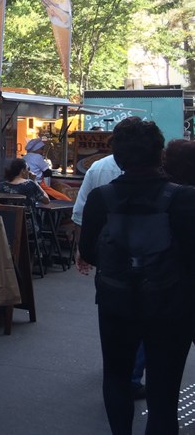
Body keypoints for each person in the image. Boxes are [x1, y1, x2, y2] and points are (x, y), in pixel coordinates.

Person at [79, 119, 195, 435]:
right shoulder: (185, 199)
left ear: (118, 157)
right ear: (159, 154)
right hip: (172, 305)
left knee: (116, 376)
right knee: (164, 390)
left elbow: (89, 252)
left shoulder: (101, 198)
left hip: (116, 302)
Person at [72, 119, 146, 400]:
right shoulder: (159, 176)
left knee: (113, 318)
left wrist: (82, 250)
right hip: (149, 263)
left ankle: (116, 371)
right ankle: (132, 376)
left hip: (109, 261)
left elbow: (80, 212)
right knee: (144, 319)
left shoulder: (97, 168)